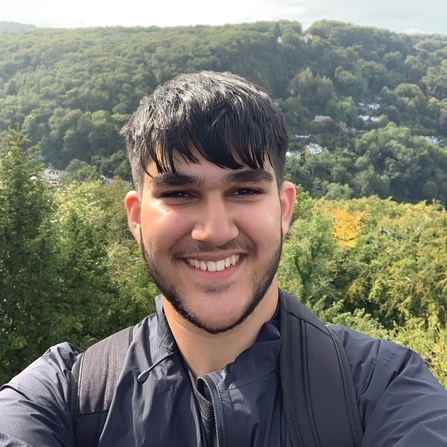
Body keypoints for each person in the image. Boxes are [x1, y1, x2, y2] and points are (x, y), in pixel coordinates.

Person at [0, 71, 446, 447]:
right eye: (179, 193)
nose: (214, 230)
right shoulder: (65, 398)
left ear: (284, 209)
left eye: (245, 190)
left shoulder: (383, 389)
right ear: (136, 217)